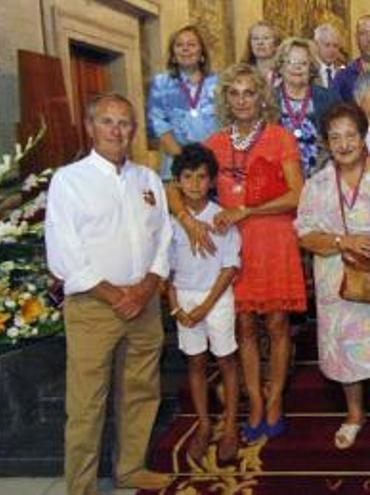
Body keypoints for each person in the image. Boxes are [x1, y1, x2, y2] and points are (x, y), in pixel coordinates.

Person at [170, 63, 307, 441]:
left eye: (250, 92)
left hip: (274, 238)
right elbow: (175, 181)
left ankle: (275, 398)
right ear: (226, 98)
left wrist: (248, 210)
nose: (243, 100)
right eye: (235, 93)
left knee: (278, 324)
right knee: (244, 325)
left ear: (262, 97)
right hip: (231, 243)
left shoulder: (280, 137)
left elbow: (298, 194)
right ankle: (255, 403)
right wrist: (187, 219)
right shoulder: (214, 142)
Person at [45, 93, 172, 494]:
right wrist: (115, 294)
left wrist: (147, 286)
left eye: (125, 123)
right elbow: (65, 253)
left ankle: (130, 469)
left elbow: (165, 238)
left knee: (140, 392)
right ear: (90, 126)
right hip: (94, 308)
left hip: (145, 304)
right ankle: (80, 487)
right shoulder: (70, 180)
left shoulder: (148, 180)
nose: (117, 131)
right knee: (86, 404)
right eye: (108, 122)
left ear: (134, 130)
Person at [296, 102, 370, 452]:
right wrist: (343, 241)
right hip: (335, 280)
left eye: (350, 136)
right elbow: (305, 234)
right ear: (326, 142)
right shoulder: (317, 184)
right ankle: (355, 415)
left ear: (363, 137)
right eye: (335, 137)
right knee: (344, 350)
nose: (343, 144)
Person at [165, 144, 241, 463]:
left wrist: (207, 305)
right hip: (184, 298)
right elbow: (165, 271)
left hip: (217, 297)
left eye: (201, 177)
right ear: (178, 181)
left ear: (211, 181)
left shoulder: (221, 218)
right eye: (188, 177)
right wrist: (176, 308)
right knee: (196, 362)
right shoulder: (169, 222)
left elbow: (230, 266)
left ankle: (231, 426)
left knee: (225, 360)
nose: (195, 183)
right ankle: (204, 423)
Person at [147, 25, 218, 181]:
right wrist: (185, 161)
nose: (185, 49)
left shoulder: (218, 83)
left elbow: (226, 122)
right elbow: (159, 124)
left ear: (202, 53)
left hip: (214, 163)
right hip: (177, 163)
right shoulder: (161, 83)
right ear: (173, 54)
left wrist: (207, 162)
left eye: (191, 44)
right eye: (179, 45)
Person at [274, 36, 340, 178]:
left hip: (322, 177)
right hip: (279, 179)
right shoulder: (268, 100)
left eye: (303, 63)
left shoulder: (329, 99)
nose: (297, 67)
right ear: (281, 66)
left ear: (311, 68)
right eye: (291, 62)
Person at [313, 23, 345, 88]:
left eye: (335, 46)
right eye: (327, 45)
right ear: (316, 46)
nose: (332, 50)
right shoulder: (309, 71)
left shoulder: (344, 73)